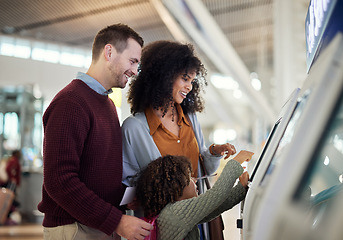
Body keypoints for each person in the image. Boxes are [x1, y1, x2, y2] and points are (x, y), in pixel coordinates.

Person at [38, 23, 153, 240]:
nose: (135, 71)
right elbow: (60, 181)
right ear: (109, 52)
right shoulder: (71, 102)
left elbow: (95, 173)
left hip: (98, 226)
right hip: (75, 228)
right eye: (132, 61)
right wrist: (117, 221)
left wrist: (122, 196)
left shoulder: (106, 103)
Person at [122, 40, 237, 188]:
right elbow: (129, 182)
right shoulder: (133, 128)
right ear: (165, 76)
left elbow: (203, 169)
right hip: (162, 212)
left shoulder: (190, 118)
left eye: (192, 81)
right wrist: (173, 186)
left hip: (198, 209)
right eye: (185, 79)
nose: (189, 87)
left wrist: (214, 152)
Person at [135, 150, 254, 239]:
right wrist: (236, 161)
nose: (195, 180)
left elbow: (215, 207)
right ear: (176, 188)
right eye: (189, 178)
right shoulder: (174, 213)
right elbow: (215, 195)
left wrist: (241, 188)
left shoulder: (169, 213)